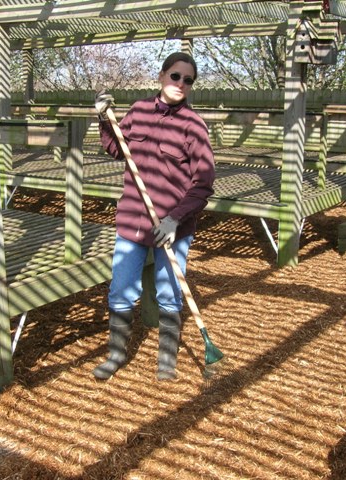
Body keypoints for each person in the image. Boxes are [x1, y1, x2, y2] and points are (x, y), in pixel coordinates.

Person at [93, 51, 216, 381]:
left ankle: (166, 359)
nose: (180, 84)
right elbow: (117, 148)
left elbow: (203, 185)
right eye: (175, 76)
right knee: (120, 289)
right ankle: (116, 355)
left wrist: (174, 219)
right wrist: (105, 119)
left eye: (187, 80)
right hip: (133, 219)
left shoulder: (194, 126)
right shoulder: (139, 111)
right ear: (162, 76)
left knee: (168, 291)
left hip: (173, 227)